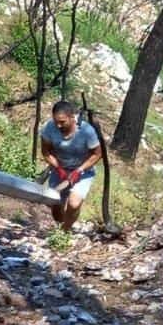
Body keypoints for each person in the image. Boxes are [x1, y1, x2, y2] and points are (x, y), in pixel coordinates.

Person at [41, 100, 102, 233]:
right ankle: (59, 226)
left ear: (72, 117)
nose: (58, 125)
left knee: (74, 203)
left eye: (62, 122)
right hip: (60, 170)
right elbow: (46, 152)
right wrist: (59, 169)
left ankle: (64, 232)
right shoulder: (49, 127)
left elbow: (97, 154)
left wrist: (79, 170)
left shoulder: (86, 131)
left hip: (82, 171)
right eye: (56, 121)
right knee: (55, 203)